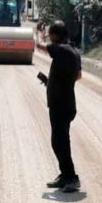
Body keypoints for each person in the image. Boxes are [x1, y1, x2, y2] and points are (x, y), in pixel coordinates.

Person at [35, 20, 82, 193]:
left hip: (60, 105)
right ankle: (65, 176)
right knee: (62, 141)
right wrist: (58, 83)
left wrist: (39, 32)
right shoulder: (74, 52)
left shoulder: (61, 49)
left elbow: (40, 46)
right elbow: (78, 76)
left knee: (58, 142)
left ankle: (71, 178)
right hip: (67, 103)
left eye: (51, 34)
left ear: (55, 35)